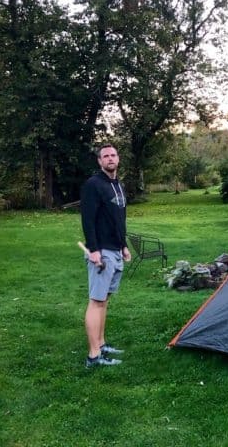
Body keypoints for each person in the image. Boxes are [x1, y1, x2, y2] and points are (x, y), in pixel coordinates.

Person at [80, 143, 132, 368]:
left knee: (104, 301)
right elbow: (88, 219)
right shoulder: (94, 185)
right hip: (102, 252)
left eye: (113, 155)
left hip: (115, 249)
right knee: (96, 301)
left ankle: (101, 344)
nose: (110, 158)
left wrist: (124, 245)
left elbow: (119, 218)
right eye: (105, 156)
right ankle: (93, 356)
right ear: (100, 162)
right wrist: (93, 250)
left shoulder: (118, 185)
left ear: (118, 159)